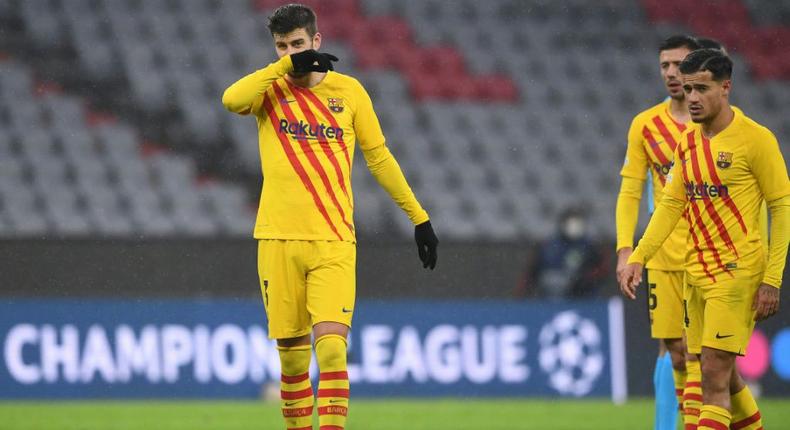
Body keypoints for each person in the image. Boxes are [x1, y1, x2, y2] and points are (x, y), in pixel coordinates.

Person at [221, 4, 438, 429]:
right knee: (293, 359)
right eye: (282, 47)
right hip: (278, 239)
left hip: (334, 240)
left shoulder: (350, 92)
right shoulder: (270, 89)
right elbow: (231, 100)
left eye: (299, 45)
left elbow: (379, 159)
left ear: (317, 42)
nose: (292, 54)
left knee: (333, 349)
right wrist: (282, 66)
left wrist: (419, 217)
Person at [620, 48, 789, 430]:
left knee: (712, 373)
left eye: (702, 89)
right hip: (695, 272)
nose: (692, 97)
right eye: (689, 88)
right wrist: (639, 256)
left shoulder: (756, 140)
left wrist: (772, 278)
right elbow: (669, 205)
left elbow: (782, 209)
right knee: (720, 376)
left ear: (725, 87)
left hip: (736, 273)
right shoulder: (689, 141)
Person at [616, 34, 700, 430]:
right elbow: (631, 190)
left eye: (679, 65)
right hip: (664, 256)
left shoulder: (719, 127)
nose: (670, 73)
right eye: (664, 65)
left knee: (710, 355)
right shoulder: (646, 125)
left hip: (711, 253)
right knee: (675, 351)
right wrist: (624, 249)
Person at [517, 207, 607, 299]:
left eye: (577, 223)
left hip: (583, 297)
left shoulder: (590, 247)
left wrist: (585, 280)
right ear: (562, 224)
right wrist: (522, 293)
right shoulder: (548, 246)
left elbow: (602, 271)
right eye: (571, 223)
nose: (574, 227)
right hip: (551, 295)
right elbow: (531, 272)